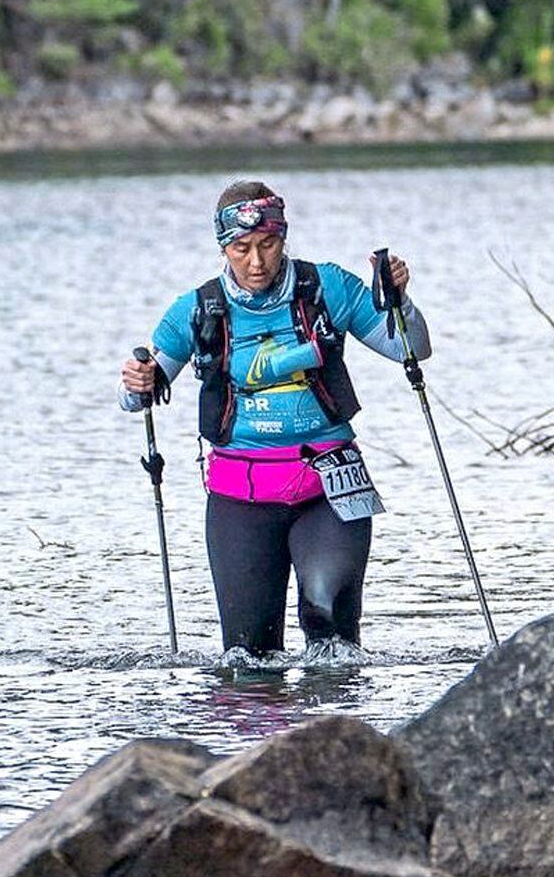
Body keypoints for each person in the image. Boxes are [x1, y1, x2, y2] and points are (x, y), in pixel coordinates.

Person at [119, 180, 431, 655]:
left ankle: (339, 725)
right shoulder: (196, 309)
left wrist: (398, 300)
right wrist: (136, 383)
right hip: (239, 499)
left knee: (330, 632)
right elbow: (139, 394)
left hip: (331, 488)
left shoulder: (327, 287)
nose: (256, 261)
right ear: (224, 247)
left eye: (267, 244)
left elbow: (410, 349)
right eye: (241, 248)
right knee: (248, 654)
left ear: (283, 237)